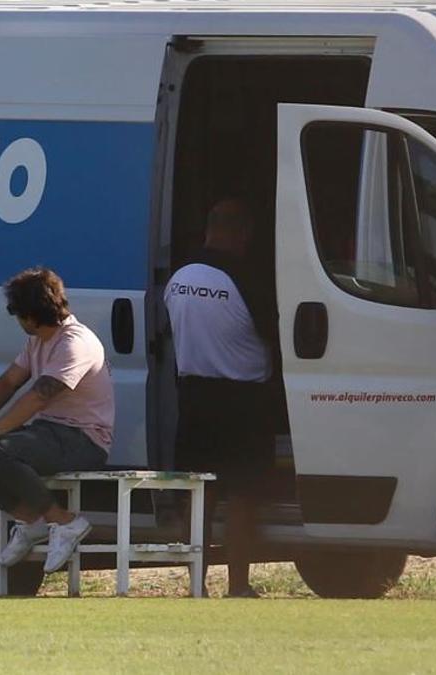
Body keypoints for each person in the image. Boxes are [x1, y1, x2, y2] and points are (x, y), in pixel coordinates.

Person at [0, 267, 113, 576]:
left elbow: (38, 397)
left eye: (17, 313)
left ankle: (65, 521)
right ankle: (32, 521)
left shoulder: (75, 343)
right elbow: (8, 382)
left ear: (32, 316)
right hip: (47, 433)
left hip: (83, 439)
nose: (17, 320)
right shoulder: (39, 341)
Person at [164, 198, 278, 598]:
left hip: (193, 396)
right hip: (244, 400)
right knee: (243, 496)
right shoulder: (246, 277)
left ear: (209, 229)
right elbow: (276, 334)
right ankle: (239, 585)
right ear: (243, 234)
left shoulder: (179, 276)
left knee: (199, 496)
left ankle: (196, 584)